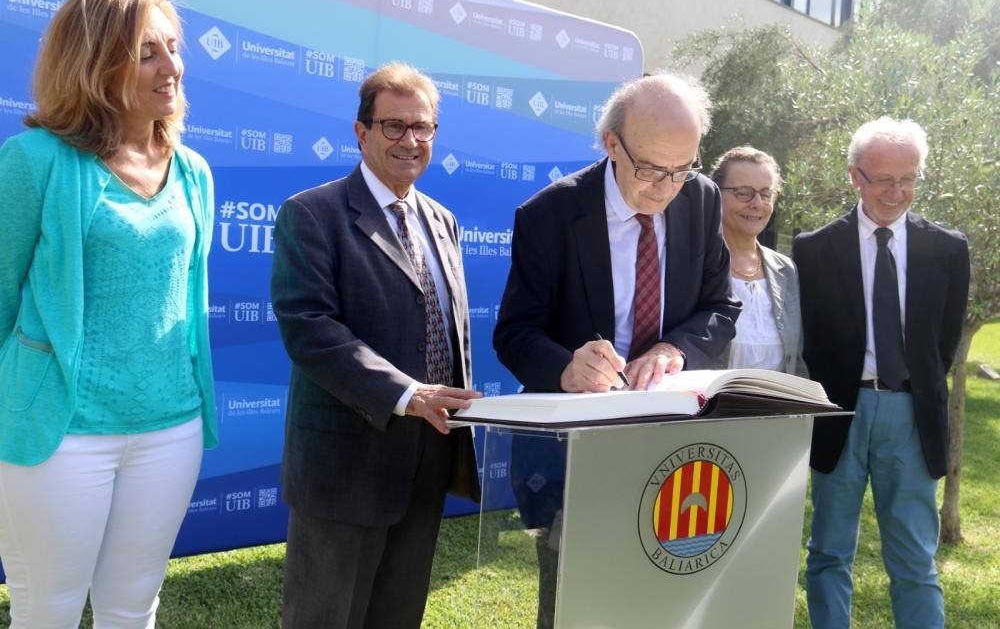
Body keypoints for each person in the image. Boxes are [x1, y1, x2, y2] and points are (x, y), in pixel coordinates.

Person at [0, 0, 218, 627]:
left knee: (133, 606)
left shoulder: (194, 171)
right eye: (147, 51)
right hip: (59, 430)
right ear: (96, 62)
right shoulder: (33, 160)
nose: (171, 66)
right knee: (50, 609)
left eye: (173, 48)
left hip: (170, 427)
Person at [492, 71, 739, 627]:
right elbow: (513, 333)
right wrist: (566, 367)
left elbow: (721, 308)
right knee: (575, 603)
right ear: (611, 144)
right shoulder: (550, 216)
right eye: (651, 169)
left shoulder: (700, 200)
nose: (666, 186)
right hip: (576, 452)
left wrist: (676, 349)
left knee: (660, 599)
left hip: (674, 444)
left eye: (682, 168)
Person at [270, 62, 481, 628]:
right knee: (325, 619)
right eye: (393, 126)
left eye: (423, 127)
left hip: (427, 459)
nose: (410, 140)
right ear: (361, 133)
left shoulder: (443, 220)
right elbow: (309, 327)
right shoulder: (312, 214)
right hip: (345, 467)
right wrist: (407, 393)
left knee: (397, 616)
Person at [793, 117, 970, 629]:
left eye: (908, 178)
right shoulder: (814, 248)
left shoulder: (948, 248)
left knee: (915, 558)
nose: (897, 192)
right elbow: (811, 338)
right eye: (884, 179)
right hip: (839, 411)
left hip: (911, 413)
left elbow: (944, 343)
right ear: (855, 176)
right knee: (828, 551)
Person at [710, 146, 804, 375]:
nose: (757, 204)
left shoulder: (785, 270)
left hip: (775, 408)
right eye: (743, 192)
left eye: (766, 193)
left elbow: (796, 361)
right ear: (715, 194)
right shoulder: (695, 265)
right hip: (709, 408)